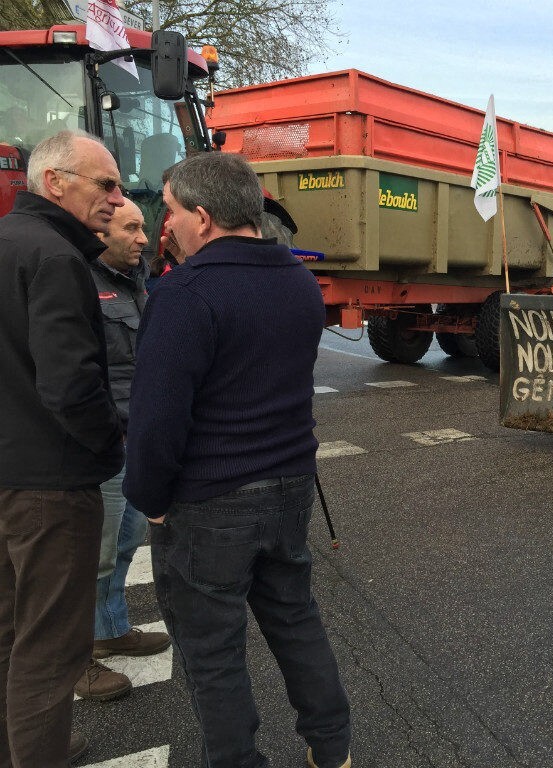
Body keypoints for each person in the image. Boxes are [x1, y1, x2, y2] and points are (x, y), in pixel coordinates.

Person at [124, 152, 352, 768]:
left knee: (212, 651)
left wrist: (151, 499)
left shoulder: (186, 293)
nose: (163, 225)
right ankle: (332, 748)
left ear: (203, 217)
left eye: (169, 211)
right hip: (289, 485)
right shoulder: (301, 283)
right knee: (295, 621)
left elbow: (157, 420)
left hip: (210, 499)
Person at [0, 130, 125, 766]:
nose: (116, 196)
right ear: (54, 182)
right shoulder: (56, 257)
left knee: (6, 636)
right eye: (104, 183)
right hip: (51, 486)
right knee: (50, 651)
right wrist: (113, 445)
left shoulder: (6, 240)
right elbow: (72, 385)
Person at [74, 199, 171, 703]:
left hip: (137, 437)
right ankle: (75, 661)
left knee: (125, 543)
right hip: (104, 442)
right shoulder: (79, 281)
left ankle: (110, 628)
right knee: (91, 554)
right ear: (101, 230)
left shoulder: (138, 281)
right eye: (131, 227)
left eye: (143, 227)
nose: (142, 237)